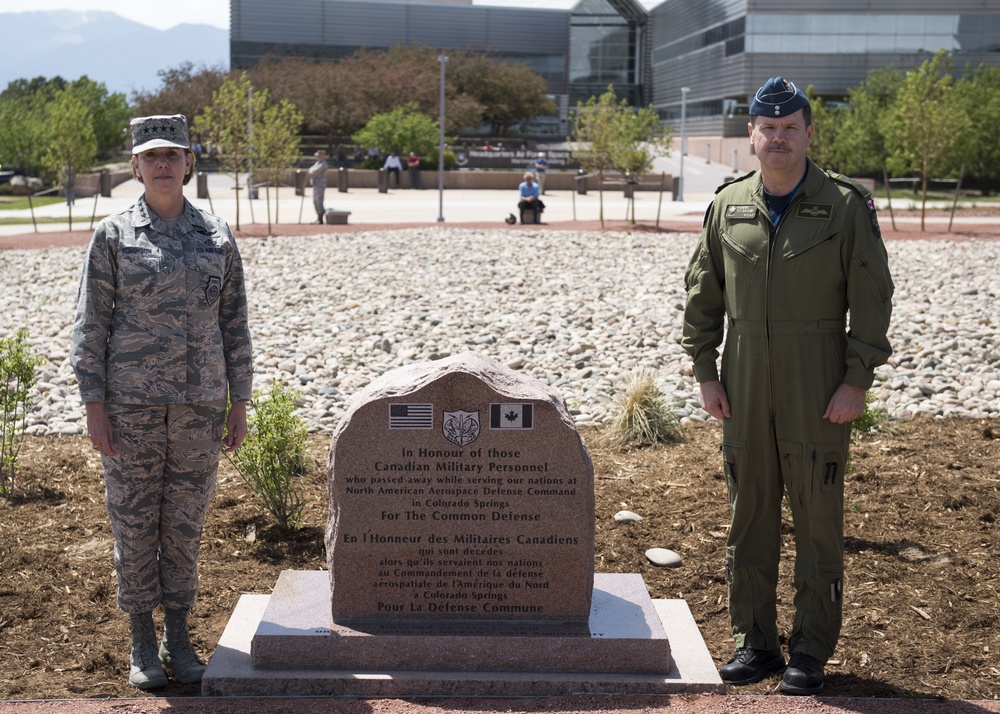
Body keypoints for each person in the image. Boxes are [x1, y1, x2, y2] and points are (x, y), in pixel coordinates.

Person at [681, 77, 893, 695]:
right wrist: (705, 371)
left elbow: (872, 300)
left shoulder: (846, 205)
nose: (779, 138)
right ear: (751, 134)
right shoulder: (728, 205)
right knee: (748, 515)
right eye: (767, 129)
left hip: (816, 378)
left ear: (807, 132)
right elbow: (703, 295)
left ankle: (810, 648)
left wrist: (856, 380)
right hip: (743, 377)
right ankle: (757, 642)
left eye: (790, 128)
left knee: (817, 517)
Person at [70, 114, 253, 691]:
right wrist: (94, 404)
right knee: (133, 522)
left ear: (190, 162)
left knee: (183, 524)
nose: (164, 164)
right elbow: (90, 325)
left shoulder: (217, 236)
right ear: (135, 167)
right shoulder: (114, 235)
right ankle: (142, 641)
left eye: (173, 153)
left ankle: (179, 634)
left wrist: (239, 402)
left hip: (200, 406)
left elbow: (235, 324)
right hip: (132, 409)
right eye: (152, 156)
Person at [308, 149, 328, 224]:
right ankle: (318, 218)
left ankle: (320, 219)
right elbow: (310, 170)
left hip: (320, 185)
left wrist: (311, 171)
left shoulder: (323, 164)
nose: (317, 157)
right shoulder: (317, 163)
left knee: (319, 201)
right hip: (316, 185)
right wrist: (311, 171)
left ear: (322, 156)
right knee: (315, 201)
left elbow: (313, 171)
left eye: (318, 155)